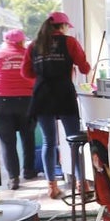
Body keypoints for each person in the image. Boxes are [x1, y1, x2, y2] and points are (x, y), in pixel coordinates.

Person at [22, 11, 90, 199]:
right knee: (73, 140)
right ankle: (82, 184)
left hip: (42, 95)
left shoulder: (34, 45)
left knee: (48, 142)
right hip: (64, 94)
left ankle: (52, 187)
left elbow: (26, 72)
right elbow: (84, 67)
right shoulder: (69, 42)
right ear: (63, 26)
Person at [0, 29, 38, 190]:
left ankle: (13, 178)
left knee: (7, 142)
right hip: (27, 100)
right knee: (28, 137)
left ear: (6, 41)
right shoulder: (29, 54)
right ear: (22, 41)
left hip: (1, 101)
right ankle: (29, 171)